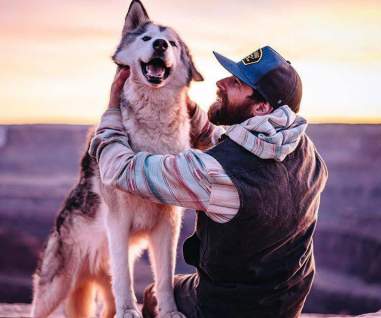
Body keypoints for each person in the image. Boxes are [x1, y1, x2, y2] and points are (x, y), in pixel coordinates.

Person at [89, 46, 328, 318]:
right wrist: (185, 104)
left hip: (225, 309)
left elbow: (120, 171)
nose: (220, 83)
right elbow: (232, 145)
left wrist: (111, 112)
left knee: (155, 296)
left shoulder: (216, 175)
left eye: (236, 83)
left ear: (262, 107)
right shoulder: (306, 152)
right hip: (284, 306)